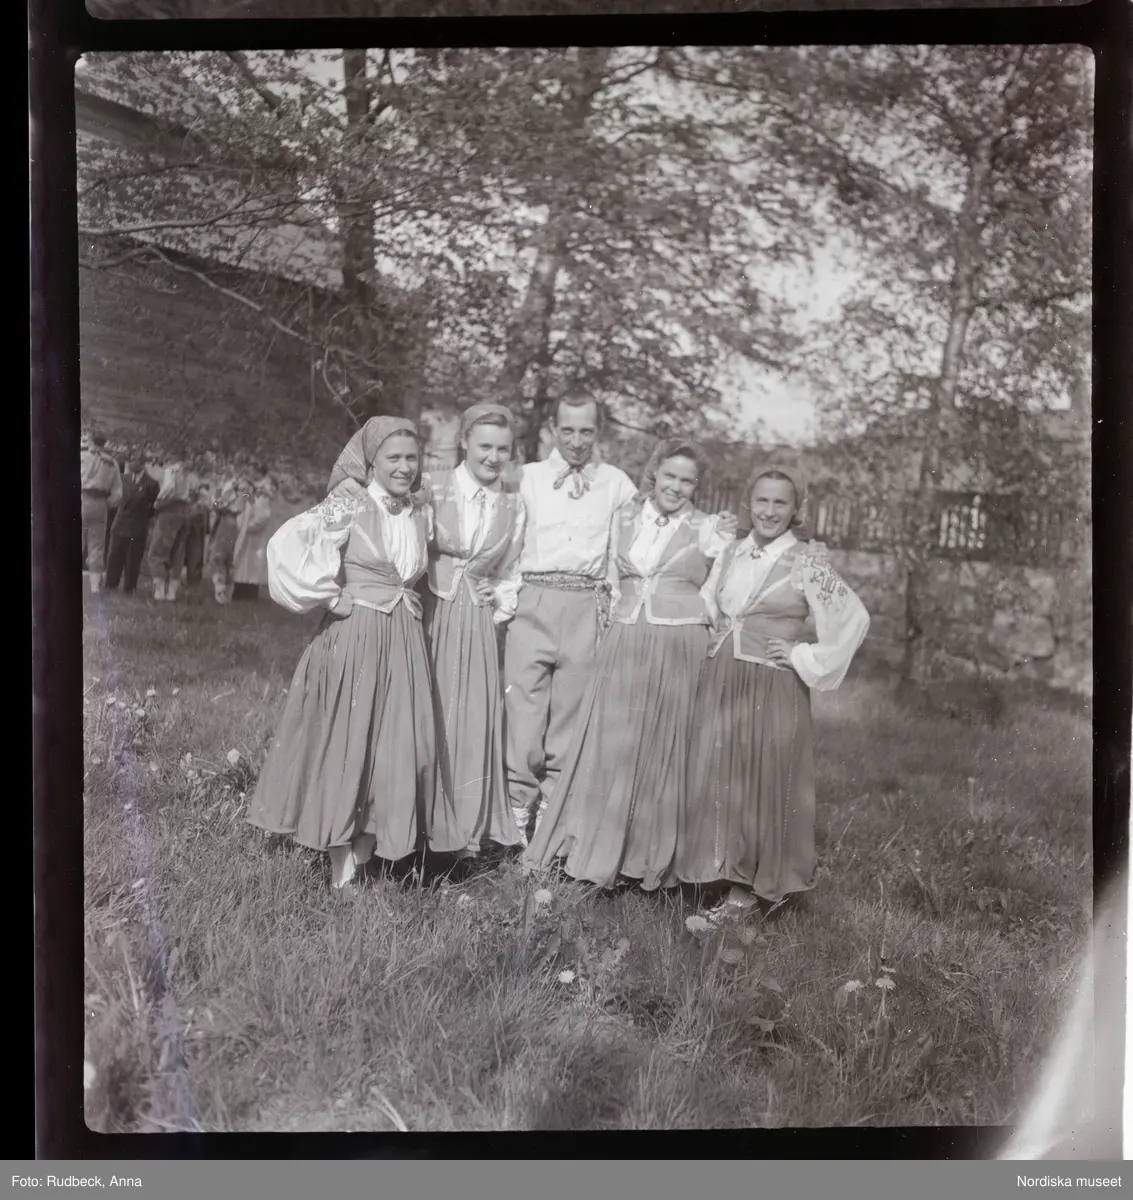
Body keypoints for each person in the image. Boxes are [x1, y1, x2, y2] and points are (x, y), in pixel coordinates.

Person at [245, 417, 450, 891]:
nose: (404, 467)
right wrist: (328, 595)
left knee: (393, 742)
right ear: (371, 462)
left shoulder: (419, 511)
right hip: (357, 635)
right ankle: (340, 857)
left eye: (411, 458)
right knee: (350, 739)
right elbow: (289, 541)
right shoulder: (351, 500)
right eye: (393, 458)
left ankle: (367, 846)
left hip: (403, 638)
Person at [524, 439, 737, 889]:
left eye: (687, 480)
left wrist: (704, 626)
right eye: (669, 475)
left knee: (663, 749)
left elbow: (721, 591)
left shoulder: (709, 529)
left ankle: (648, 858)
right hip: (625, 638)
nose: (676, 487)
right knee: (612, 745)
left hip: (678, 643)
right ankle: (596, 852)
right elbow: (609, 579)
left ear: (697, 486)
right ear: (654, 474)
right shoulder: (625, 517)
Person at [678, 464, 870, 913]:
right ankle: (719, 871)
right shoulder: (733, 550)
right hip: (722, 677)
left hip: (772, 682)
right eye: (761, 500)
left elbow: (854, 619)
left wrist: (803, 655)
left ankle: (750, 890)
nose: (769, 511)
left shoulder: (807, 561)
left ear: (796, 509)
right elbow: (708, 604)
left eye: (780, 502)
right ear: (749, 503)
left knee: (763, 781)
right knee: (721, 775)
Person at [504, 397, 639, 845]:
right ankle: (514, 816)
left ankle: (552, 824)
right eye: (568, 430)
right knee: (523, 712)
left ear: (599, 431)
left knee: (569, 714)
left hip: (586, 603)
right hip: (533, 599)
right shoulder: (527, 477)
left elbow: (634, 541)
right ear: (552, 428)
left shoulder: (616, 483)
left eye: (586, 431)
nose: (577, 441)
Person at [421, 403, 527, 859]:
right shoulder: (430, 487)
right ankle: (417, 828)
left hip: (478, 623)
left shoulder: (513, 504)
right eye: (484, 446)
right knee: (427, 711)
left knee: (469, 719)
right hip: (430, 614)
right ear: (463, 441)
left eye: (503, 449)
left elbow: (511, 569)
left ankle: (461, 836)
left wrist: (498, 597)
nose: (493, 457)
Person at [106, 450, 159, 594]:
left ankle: (129, 588)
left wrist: (143, 517)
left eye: (134, 460)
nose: (131, 463)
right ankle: (110, 585)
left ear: (142, 463)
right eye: (130, 460)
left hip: (138, 524)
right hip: (120, 521)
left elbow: (153, 506)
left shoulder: (151, 484)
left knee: (133, 558)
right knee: (115, 554)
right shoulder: (123, 478)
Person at [147, 457, 200, 602]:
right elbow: (197, 494)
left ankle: (159, 591)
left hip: (170, 509)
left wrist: (158, 502)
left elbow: (169, 487)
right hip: (185, 511)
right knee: (178, 551)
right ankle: (172, 592)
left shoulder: (172, 470)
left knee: (157, 552)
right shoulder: (192, 474)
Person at [80, 432, 123, 595]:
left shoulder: (82, 456)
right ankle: (94, 586)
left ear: (91, 441)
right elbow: (118, 493)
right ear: (104, 443)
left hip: (82, 498)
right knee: (97, 545)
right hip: (100, 503)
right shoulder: (112, 463)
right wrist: (107, 504)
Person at [205, 471, 250, 605]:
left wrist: (214, 501)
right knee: (227, 557)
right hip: (231, 520)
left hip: (227, 520)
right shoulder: (243, 486)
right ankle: (227, 593)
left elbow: (220, 503)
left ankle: (221, 591)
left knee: (218, 556)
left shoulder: (234, 484)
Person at [232, 474, 275, 601]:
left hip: (254, 539)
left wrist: (244, 526)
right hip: (246, 538)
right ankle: (239, 591)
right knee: (242, 565)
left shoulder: (263, 502)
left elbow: (261, 519)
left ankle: (249, 593)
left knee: (252, 567)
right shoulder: (251, 498)